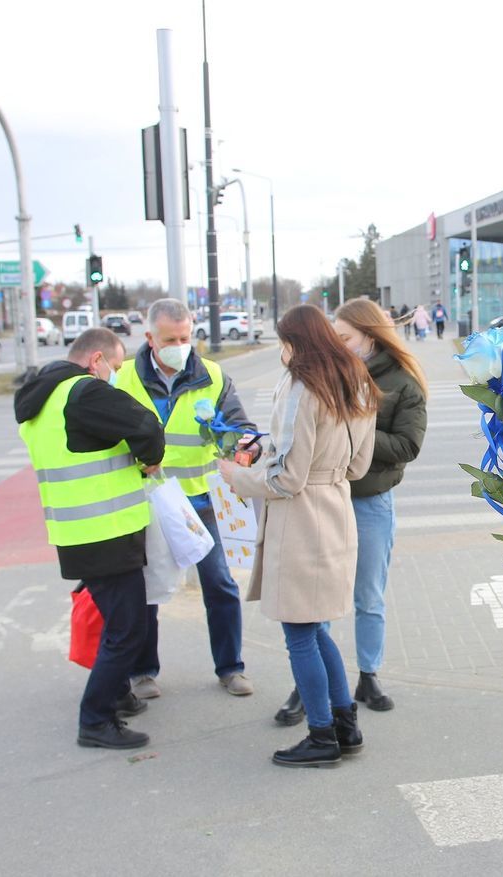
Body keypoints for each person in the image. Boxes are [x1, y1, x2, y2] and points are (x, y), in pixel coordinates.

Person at [216, 304, 377, 767]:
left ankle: (323, 734)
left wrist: (235, 476)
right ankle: (345, 726)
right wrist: (273, 450)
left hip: (301, 520)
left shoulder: (302, 386)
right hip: (336, 508)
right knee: (314, 626)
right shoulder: (358, 380)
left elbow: (286, 479)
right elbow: (359, 465)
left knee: (300, 632)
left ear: (294, 343)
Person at [272, 298, 427, 724]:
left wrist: (350, 436)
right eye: (334, 336)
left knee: (368, 596)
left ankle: (369, 675)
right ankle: (308, 686)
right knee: (312, 603)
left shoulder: (402, 382)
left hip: (371, 500)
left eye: (345, 337)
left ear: (370, 337)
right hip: (325, 502)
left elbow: (408, 446)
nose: (338, 344)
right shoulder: (332, 376)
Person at [15, 328, 166, 749]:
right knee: (128, 629)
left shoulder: (42, 399)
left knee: (117, 622)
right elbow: (146, 424)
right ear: (96, 360)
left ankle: (118, 694)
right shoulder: (83, 392)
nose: (115, 375)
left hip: (76, 531)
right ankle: (96, 718)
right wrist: (150, 461)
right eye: (115, 367)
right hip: (107, 533)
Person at [114, 298, 257, 699]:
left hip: (199, 502)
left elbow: (243, 431)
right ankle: (143, 673)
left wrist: (238, 443)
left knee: (220, 584)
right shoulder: (122, 377)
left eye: (185, 337)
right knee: (148, 588)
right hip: (146, 503)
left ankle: (231, 668)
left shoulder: (212, 375)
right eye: (170, 339)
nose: (180, 345)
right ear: (149, 338)